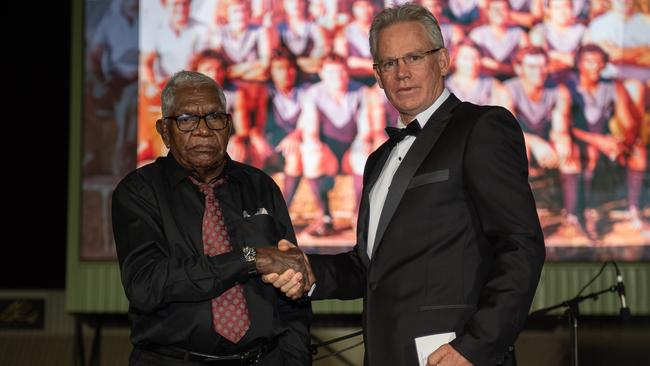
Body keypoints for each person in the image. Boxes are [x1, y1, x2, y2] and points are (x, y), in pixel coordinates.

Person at [262, 4, 545, 366]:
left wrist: (475, 347)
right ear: (377, 76)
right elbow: (371, 268)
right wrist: (309, 270)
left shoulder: (481, 127)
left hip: (454, 356)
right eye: (389, 63)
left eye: (413, 57)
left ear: (442, 61)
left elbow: (521, 245)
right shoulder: (378, 160)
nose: (402, 73)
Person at [112, 71, 312, 365]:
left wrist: (295, 359)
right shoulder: (140, 192)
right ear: (164, 131)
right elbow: (147, 285)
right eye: (187, 119)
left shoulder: (260, 186)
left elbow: (293, 283)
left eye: (214, 117)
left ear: (228, 126)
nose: (204, 130)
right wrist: (249, 259)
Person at [503, 47, 585, 240]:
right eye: (531, 66)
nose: (538, 71)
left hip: (543, 141)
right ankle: (519, 220)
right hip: (514, 141)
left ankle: (571, 216)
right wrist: (535, 142)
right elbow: (505, 130)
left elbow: (560, 127)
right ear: (519, 68)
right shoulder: (508, 90)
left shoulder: (558, 90)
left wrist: (561, 141)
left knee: (569, 149)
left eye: (542, 66)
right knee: (521, 150)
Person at [569, 44, 647, 237]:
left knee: (638, 153)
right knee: (590, 153)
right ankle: (583, 212)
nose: (595, 66)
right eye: (589, 61)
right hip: (578, 139)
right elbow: (565, 128)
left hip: (604, 140)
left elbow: (627, 122)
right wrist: (597, 140)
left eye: (599, 61)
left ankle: (633, 209)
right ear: (579, 64)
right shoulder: (569, 85)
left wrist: (623, 145)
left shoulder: (612, 85)